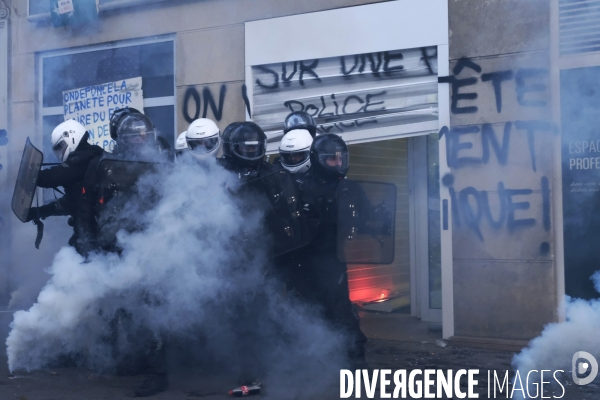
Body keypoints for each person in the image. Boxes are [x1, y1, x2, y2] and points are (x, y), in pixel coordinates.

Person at [75, 108, 168, 397]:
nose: (140, 140)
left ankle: (157, 372)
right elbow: (86, 204)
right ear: (122, 138)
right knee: (126, 308)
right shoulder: (103, 164)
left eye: (143, 135)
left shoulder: (159, 161)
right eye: (134, 135)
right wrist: (85, 240)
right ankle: (137, 361)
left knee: (152, 310)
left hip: (151, 247)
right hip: (113, 245)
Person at [284, 133, 367, 368]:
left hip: (332, 259)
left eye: (340, 158)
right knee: (302, 311)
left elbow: (366, 217)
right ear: (318, 159)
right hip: (302, 259)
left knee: (341, 311)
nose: (337, 163)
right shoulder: (299, 186)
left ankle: (356, 361)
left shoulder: (349, 188)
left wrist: (374, 222)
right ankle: (306, 363)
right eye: (331, 159)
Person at [25, 119, 104, 247]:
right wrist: (40, 211)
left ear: (72, 136)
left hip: (93, 233)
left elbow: (52, 177)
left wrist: (31, 175)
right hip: (94, 229)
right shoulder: (92, 156)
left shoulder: (84, 159)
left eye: (60, 146)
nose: (60, 151)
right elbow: (72, 202)